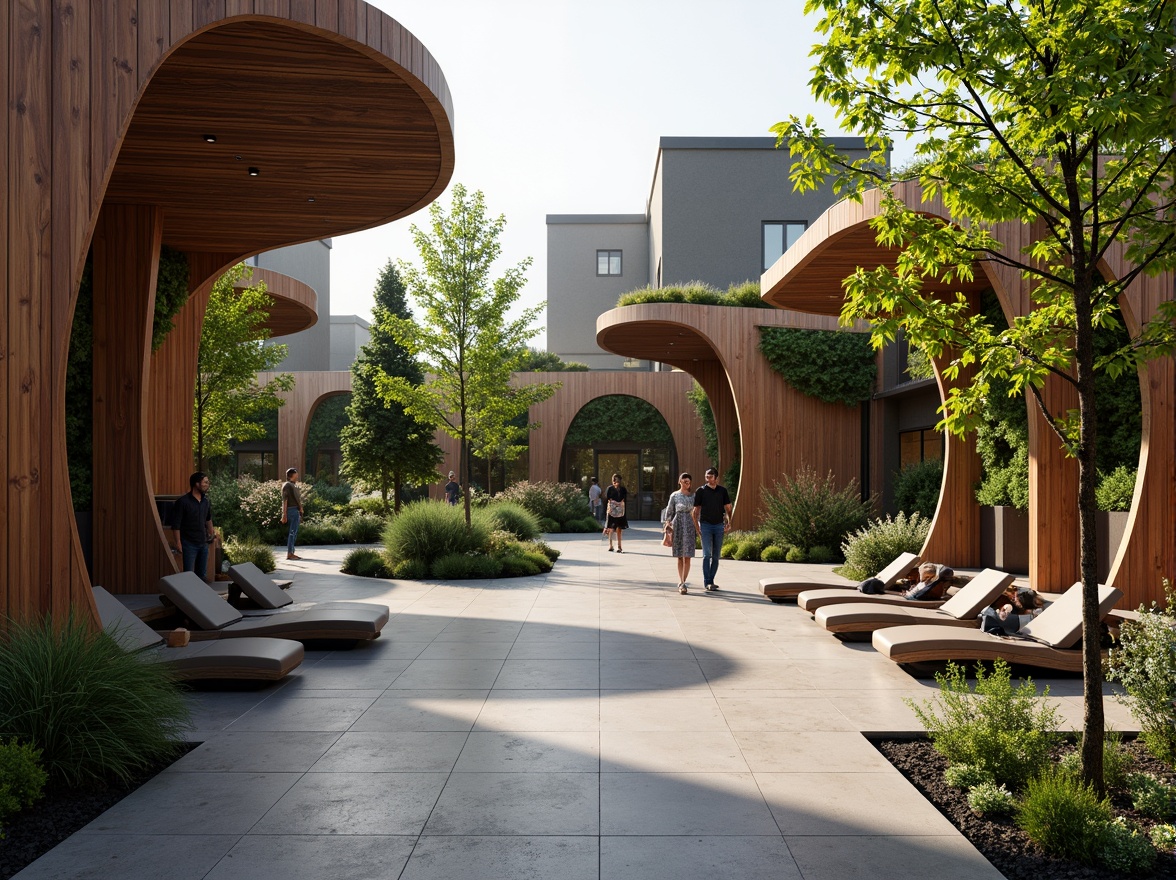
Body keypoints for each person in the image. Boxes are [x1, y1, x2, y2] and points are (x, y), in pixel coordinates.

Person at [168, 472, 216, 577]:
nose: (207, 484)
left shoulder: (205, 501)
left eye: (208, 482)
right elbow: (176, 524)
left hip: (203, 543)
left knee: (202, 574)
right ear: (197, 484)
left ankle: (199, 593)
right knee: (188, 575)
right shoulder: (183, 502)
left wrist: (211, 533)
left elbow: (208, 519)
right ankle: (187, 593)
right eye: (205, 482)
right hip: (188, 544)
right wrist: (178, 543)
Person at [692, 466, 732, 592]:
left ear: (716, 478)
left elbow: (729, 508)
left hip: (719, 525)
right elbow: (695, 511)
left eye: (710, 476)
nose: (707, 479)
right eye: (706, 477)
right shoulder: (701, 491)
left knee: (716, 556)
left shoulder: (722, 491)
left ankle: (711, 580)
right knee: (706, 555)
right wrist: (697, 527)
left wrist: (729, 522)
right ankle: (707, 582)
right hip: (706, 525)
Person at [663, 472, 698, 594]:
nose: (686, 484)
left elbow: (697, 512)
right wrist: (667, 524)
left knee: (687, 556)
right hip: (677, 525)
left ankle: (683, 582)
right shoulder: (675, 495)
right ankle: (681, 581)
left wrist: (698, 527)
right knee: (679, 556)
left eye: (688, 482)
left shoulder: (694, 496)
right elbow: (669, 511)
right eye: (684, 481)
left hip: (690, 525)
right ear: (679, 482)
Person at [280, 467, 303, 561]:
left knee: (294, 532)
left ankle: (292, 552)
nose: (297, 475)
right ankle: (290, 553)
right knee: (292, 532)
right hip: (291, 511)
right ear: (291, 475)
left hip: (295, 511)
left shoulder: (293, 485)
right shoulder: (287, 485)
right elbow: (285, 500)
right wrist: (284, 514)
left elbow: (297, 499)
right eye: (296, 474)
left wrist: (300, 509)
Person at [604, 473, 629, 552]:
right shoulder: (611, 488)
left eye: (616, 480)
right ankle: (614, 545)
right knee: (613, 528)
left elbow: (623, 499)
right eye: (614, 479)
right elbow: (608, 498)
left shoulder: (620, 489)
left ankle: (616, 546)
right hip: (615, 511)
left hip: (617, 511)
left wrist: (617, 504)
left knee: (616, 528)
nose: (615, 481)